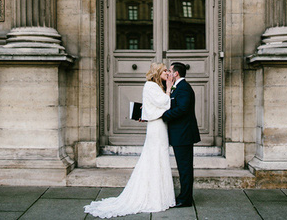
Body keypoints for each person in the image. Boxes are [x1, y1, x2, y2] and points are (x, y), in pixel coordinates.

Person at [84, 63, 175, 218]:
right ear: (158, 72)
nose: (168, 72)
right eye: (165, 70)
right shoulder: (150, 86)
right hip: (157, 127)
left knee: (158, 157)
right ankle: (153, 196)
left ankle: (159, 194)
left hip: (159, 125)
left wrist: (167, 89)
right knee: (155, 158)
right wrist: (168, 88)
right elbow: (164, 103)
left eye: (168, 70)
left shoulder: (154, 87)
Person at [162, 62, 201, 208]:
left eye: (170, 70)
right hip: (180, 134)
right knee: (183, 167)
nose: (168, 72)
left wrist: (164, 115)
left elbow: (183, 108)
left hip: (184, 134)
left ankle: (185, 199)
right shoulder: (177, 87)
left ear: (176, 73)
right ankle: (184, 196)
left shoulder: (184, 88)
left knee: (185, 168)